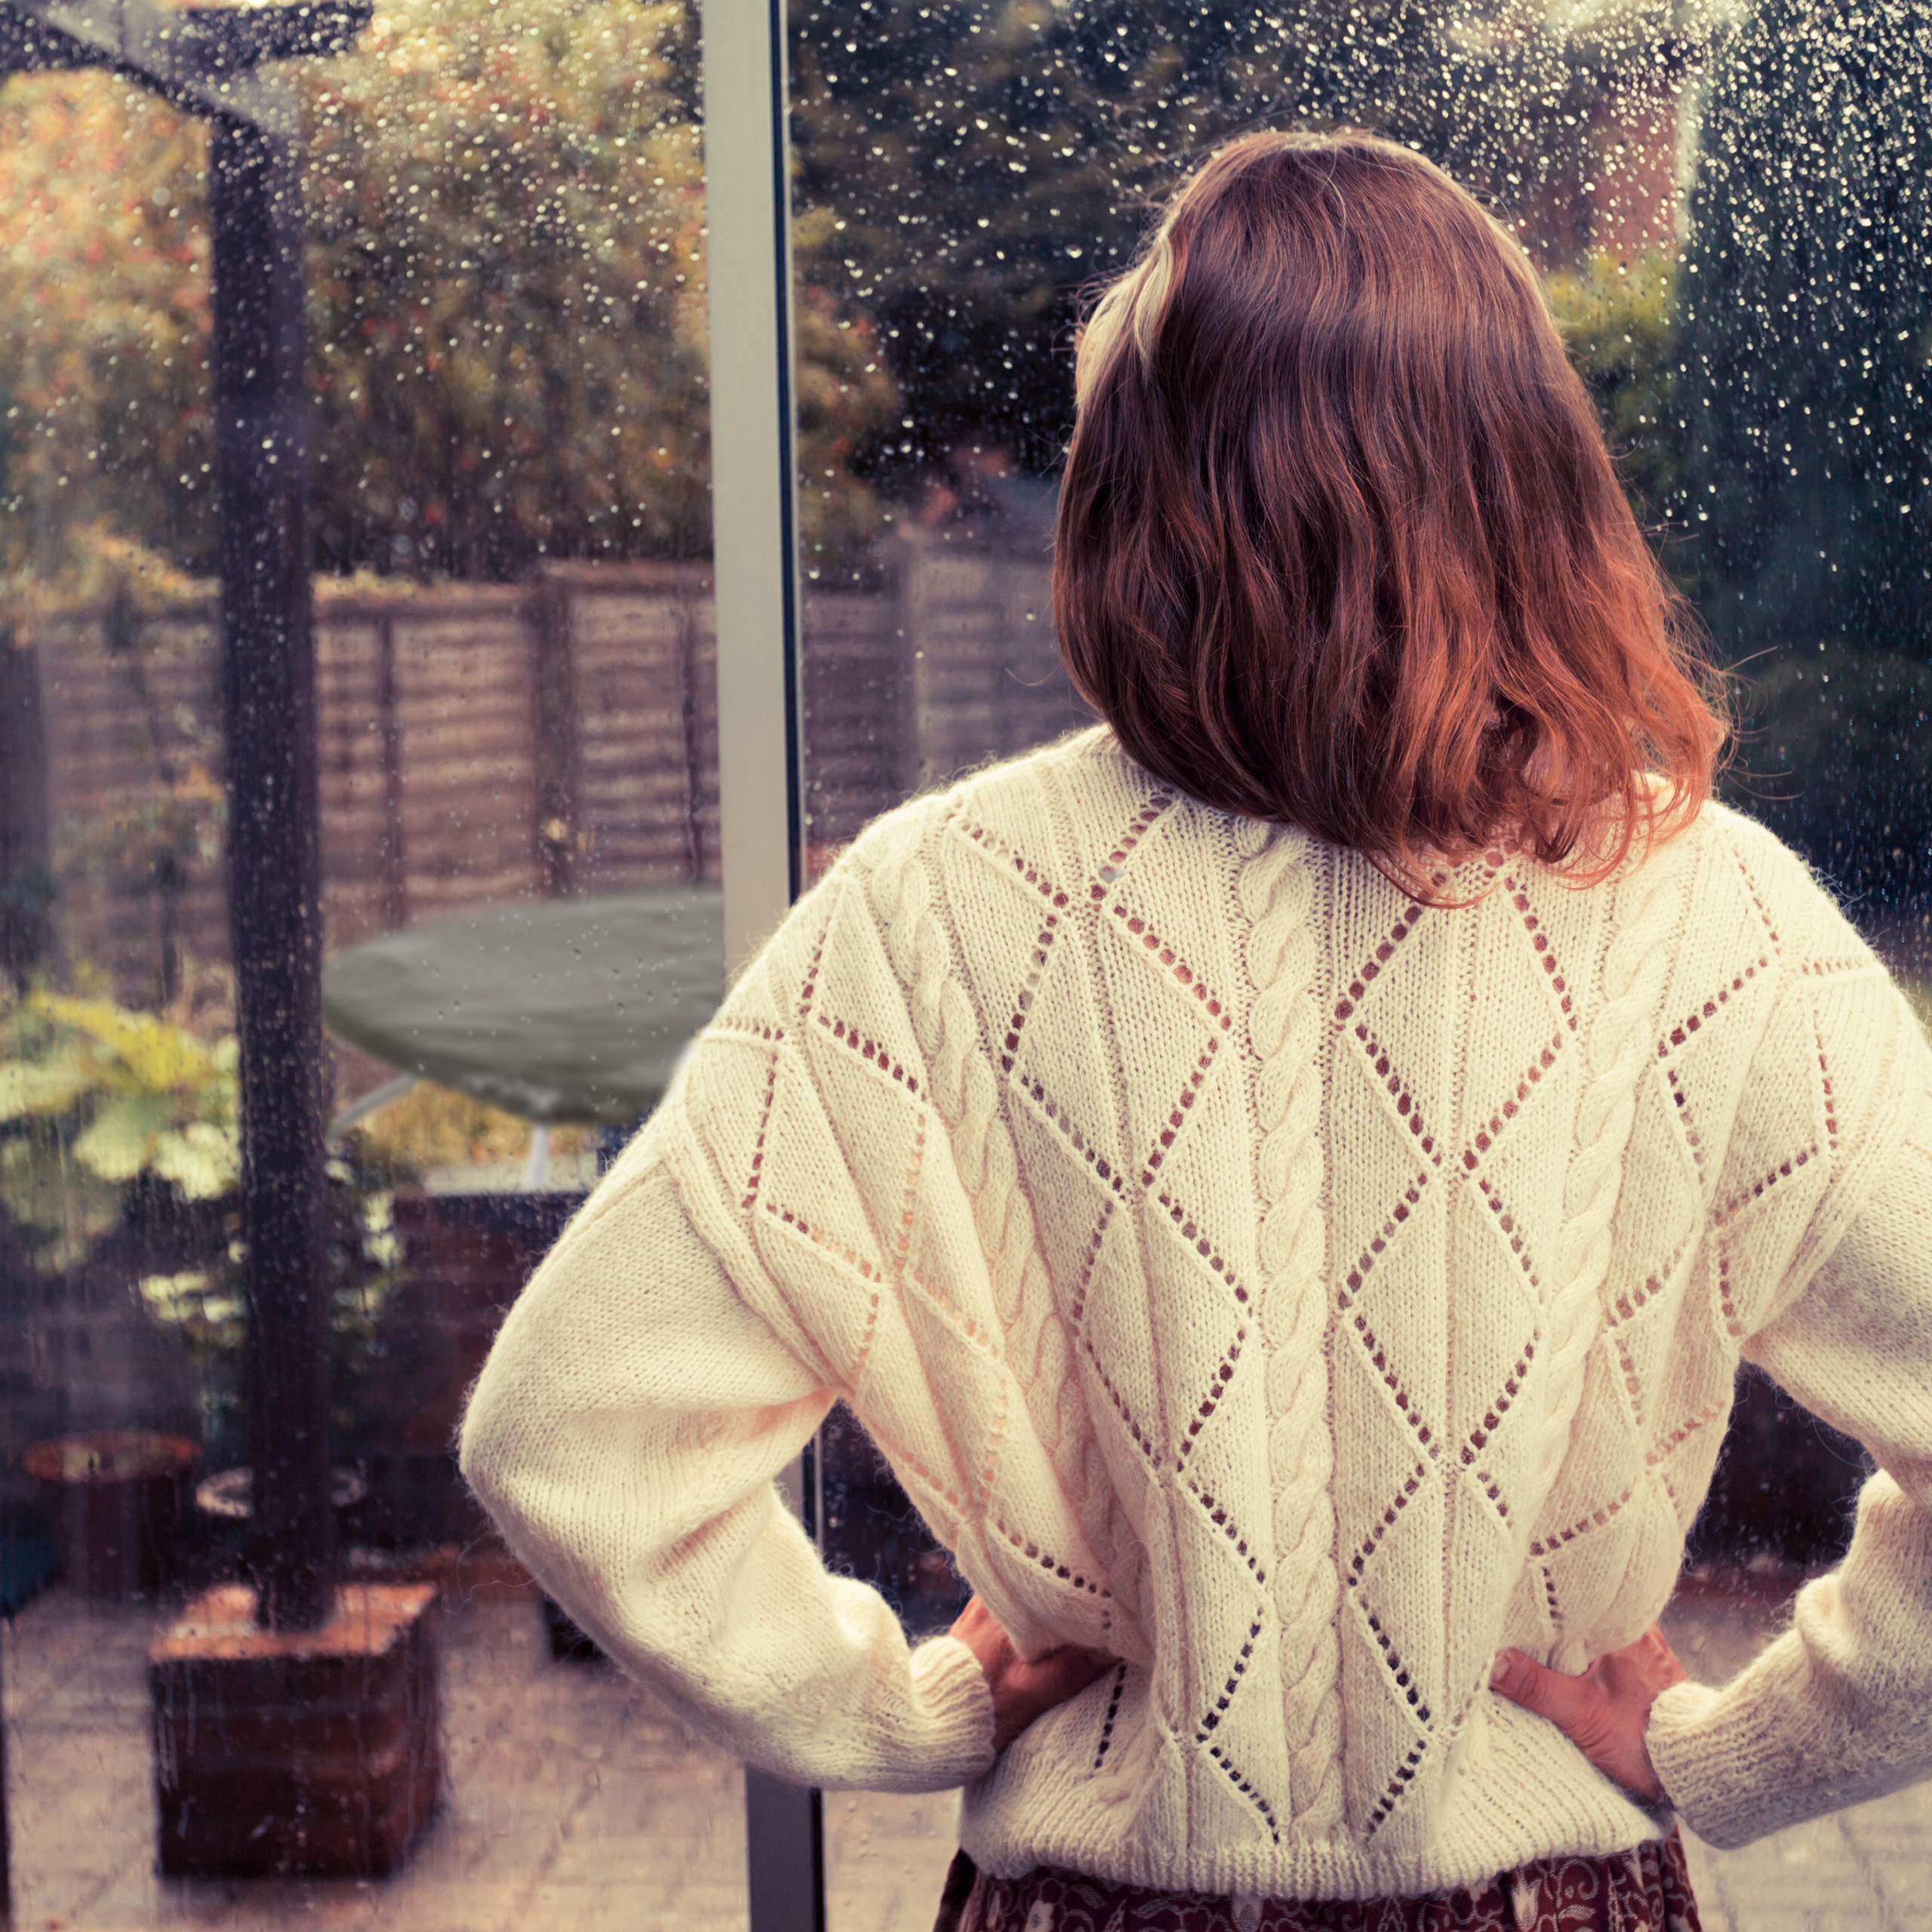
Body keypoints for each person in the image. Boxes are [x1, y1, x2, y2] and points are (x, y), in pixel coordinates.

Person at [460, 131, 1932, 1931]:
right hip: (1547, 1894)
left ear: (1129, 496)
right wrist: (1736, 1749)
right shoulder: (1703, 912)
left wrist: (897, 1701)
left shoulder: (932, 908)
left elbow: (563, 1433)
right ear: (1531, 480)